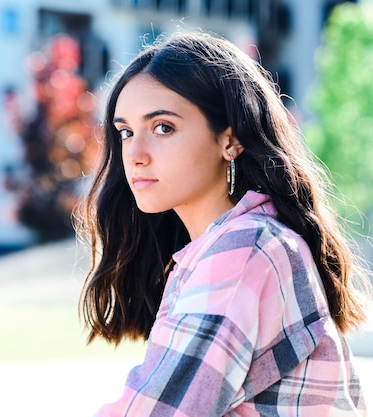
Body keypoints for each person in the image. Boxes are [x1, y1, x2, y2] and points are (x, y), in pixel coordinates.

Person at [77, 31, 371, 416]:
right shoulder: (237, 244)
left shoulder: (245, 250)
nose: (134, 154)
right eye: (126, 132)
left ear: (229, 140)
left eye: (163, 127)